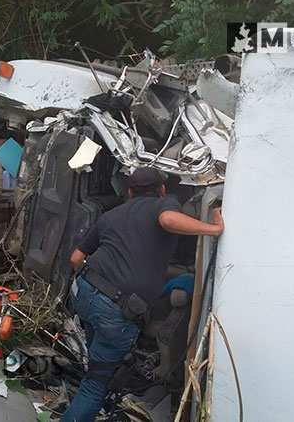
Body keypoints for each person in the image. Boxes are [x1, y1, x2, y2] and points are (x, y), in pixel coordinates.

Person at [61, 167, 224, 422]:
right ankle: (88, 399)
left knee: (96, 359)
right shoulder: (164, 204)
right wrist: (213, 230)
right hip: (114, 307)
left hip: (83, 291)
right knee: (97, 383)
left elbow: (75, 258)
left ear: (128, 192)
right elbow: (168, 221)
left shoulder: (110, 216)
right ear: (161, 190)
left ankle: (92, 380)